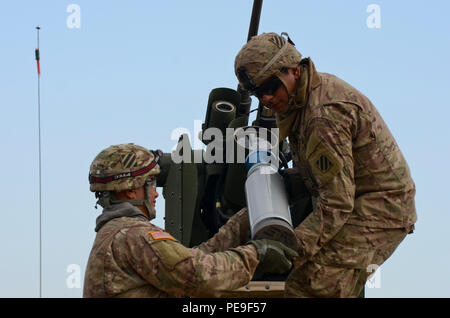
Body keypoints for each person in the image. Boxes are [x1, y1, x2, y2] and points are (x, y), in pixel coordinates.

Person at [234, 32, 417, 297]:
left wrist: (289, 249)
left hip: (381, 206)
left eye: (270, 88)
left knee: (312, 285)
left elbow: (337, 202)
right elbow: (319, 175)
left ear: (293, 70)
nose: (266, 100)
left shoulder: (322, 116)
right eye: (258, 93)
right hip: (348, 193)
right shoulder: (302, 101)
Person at [83, 143, 297, 298]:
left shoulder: (117, 234)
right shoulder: (133, 236)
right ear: (130, 190)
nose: (155, 194)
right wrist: (257, 254)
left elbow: (193, 258)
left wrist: (247, 215)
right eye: (150, 183)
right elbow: (200, 275)